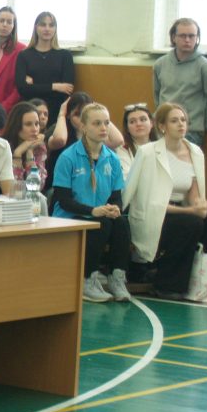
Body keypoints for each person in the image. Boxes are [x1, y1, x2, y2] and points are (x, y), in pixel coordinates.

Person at [123, 103, 207, 300]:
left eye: (183, 120)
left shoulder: (195, 151)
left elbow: (194, 192)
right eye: (174, 121)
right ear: (162, 126)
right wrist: (192, 212)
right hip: (153, 214)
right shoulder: (148, 152)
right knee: (191, 224)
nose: (181, 124)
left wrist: (199, 205)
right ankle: (167, 284)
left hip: (182, 211)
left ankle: (201, 283)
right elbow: (152, 202)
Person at [51, 103, 132, 303]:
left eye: (106, 123)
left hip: (97, 213)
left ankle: (116, 278)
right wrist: (93, 210)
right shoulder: (68, 157)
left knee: (121, 222)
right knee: (101, 224)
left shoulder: (112, 159)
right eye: (97, 123)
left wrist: (115, 208)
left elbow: (116, 196)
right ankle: (87, 280)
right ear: (83, 127)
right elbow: (62, 199)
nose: (104, 128)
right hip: (70, 216)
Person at [152, 18, 207, 145]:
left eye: (191, 36)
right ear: (173, 37)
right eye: (183, 36)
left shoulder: (206, 66)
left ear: (197, 38)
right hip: (163, 128)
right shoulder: (160, 64)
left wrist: (202, 125)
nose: (187, 40)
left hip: (190, 131)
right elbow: (157, 95)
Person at [15, 11, 75, 126]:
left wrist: (34, 86)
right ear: (36, 28)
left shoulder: (65, 55)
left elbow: (67, 90)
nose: (47, 29)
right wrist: (55, 86)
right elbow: (23, 89)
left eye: (51, 25)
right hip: (30, 111)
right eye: (43, 24)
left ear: (55, 29)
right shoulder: (24, 55)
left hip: (56, 112)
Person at [1, 102, 47, 187]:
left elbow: (36, 186)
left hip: (29, 195)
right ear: (16, 126)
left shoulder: (39, 146)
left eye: (37, 124)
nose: (35, 129)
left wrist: (30, 152)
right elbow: (14, 187)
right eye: (28, 124)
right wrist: (17, 154)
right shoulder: (3, 146)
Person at [117, 102, 157, 178]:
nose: (138, 124)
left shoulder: (162, 145)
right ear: (127, 128)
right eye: (132, 121)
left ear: (151, 123)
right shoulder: (123, 150)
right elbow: (127, 178)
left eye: (143, 119)